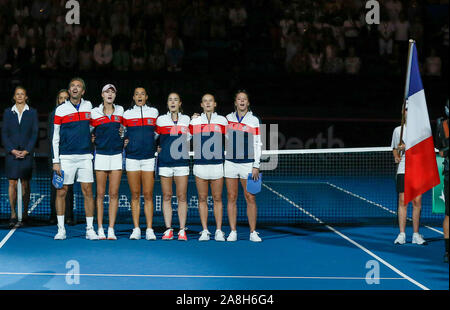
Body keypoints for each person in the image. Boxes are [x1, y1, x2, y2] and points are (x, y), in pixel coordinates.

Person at [52, 77, 98, 240]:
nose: (75, 88)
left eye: (78, 86)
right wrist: (55, 161)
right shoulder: (60, 109)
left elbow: (92, 126)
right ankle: (61, 229)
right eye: (72, 86)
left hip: (85, 156)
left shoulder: (89, 106)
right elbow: (55, 136)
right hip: (66, 158)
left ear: (83, 91)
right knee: (62, 192)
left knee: (87, 191)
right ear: (69, 90)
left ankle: (90, 229)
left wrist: (89, 136)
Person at [224, 90, 262, 242]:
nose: (241, 101)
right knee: (231, 197)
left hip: (248, 164)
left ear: (248, 102)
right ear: (235, 102)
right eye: (239, 99)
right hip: (230, 163)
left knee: (250, 197)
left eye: (244, 99)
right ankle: (233, 231)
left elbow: (258, 143)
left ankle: (253, 232)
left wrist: (256, 165)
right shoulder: (227, 118)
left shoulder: (254, 120)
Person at [122, 87, 159, 240]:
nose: (139, 96)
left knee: (149, 195)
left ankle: (149, 229)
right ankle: (136, 228)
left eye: (142, 94)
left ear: (146, 96)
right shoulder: (127, 114)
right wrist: (125, 142)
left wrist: (153, 144)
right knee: (135, 194)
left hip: (149, 158)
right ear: (133, 97)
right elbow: (122, 132)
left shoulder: (154, 112)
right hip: (132, 158)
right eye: (136, 93)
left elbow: (158, 132)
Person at [190, 94, 228, 241]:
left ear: (215, 104)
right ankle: (205, 230)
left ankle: (218, 230)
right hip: (200, 165)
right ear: (201, 104)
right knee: (202, 199)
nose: (207, 103)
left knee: (217, 198)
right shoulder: (195, 121)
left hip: (217, 165)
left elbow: (231, 139)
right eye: (205, 101)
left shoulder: (222, 120)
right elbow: (184, 137)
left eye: (210, 101)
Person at [90, 84, 124, 240]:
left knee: (114, 194)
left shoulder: (121, 111)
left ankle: (111, 228)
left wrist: (126, 137)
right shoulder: (94, 113)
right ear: (102, 95)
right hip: (101, 155)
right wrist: (91, 139)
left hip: (117, 155)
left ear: (115, 95)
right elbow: (88, 131)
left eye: (112, 92)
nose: (110, 94)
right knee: (100, 194)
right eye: (106, 92)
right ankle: (100, 228)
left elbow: (125, 129)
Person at [1, 86, 38, 228]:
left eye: (22, 94)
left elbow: (34, 133)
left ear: (26, 97)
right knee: (11, 183)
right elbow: (4, 133)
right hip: (12, 155)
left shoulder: (32, 112)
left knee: (25, 184)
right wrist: (12, 150)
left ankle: (25, 214)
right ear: (14, 97)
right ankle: (13, 214)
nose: (20, 96)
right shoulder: (7, 112)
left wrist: (27, 150)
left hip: (26, 155)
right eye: (17, 94)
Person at [156, 93, 191, 241]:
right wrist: (157, 147)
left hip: (181, 162)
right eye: (170, 99)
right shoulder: (161, 120)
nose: (173, 102)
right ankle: (168, 229)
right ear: (167, 103)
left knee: (182, 197)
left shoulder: (187, 119)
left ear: (180, 103)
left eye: (176, 100)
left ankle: (182, 230)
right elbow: (153, 137)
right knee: (167, 196)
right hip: (165, 162)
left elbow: (190, 136)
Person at [391, 105, 426, 245]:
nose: (408, 112)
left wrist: (408, 147)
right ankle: (402, 234)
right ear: (402, 112)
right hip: (403, 169)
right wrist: (396, 156)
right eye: (406, 109)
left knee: (417, 202)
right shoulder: (397, 131)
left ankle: (416, 234)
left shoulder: (420, 132)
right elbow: (394, 149)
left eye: (410, 109)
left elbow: (424, 150)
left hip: (418, 169)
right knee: (402, 201)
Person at [48, 89, 74, 225]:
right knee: (56, 187)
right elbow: (52, 138)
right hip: (56, 158)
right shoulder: (53, 115)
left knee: (68, 188)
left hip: (69, 157)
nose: (63, 100)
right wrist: (55, 159)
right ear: (57, 100)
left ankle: (69, 215)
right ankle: (54, 216)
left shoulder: (72, 113)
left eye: (66, 98)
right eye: (60, 98)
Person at [435, 100, 449, 263]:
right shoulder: (443, 126)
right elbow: (442, 153)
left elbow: (442, 153)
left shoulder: (442, 126)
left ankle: (447, 251)